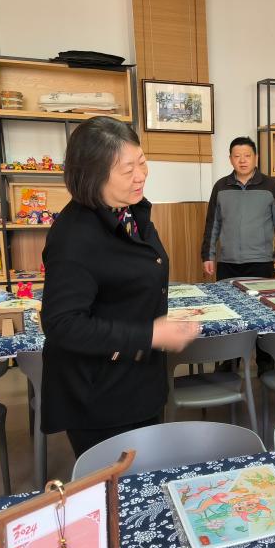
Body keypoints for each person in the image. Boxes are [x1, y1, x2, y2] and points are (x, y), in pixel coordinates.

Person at [41, 117, 200, 456]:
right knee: (117, 483)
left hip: (139, 381)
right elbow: (62, 324)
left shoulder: (129, 211)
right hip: (100, 396)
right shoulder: (74, 237)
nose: (140, 175)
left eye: (142, 163)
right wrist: (150, 334)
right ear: (93, 174)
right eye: (128, 170)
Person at [201, 136, 275, 280]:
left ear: (256, 158)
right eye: (237, 156)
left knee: (260, 296)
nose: (242, 160)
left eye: (247, 156)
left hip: (261, 262)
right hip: (227, 263)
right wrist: (207, 256)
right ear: (230, 159)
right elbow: (212, 225)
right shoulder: (220, 187)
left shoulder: (271, 186)